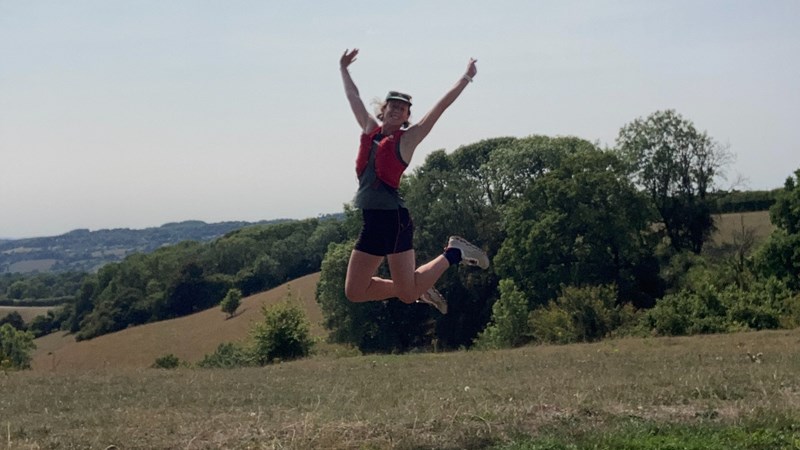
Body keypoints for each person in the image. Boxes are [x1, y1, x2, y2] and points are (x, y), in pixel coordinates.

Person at [339, 48, 489, 315]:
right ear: (384, 110)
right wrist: (344, 69)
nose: (397, 110)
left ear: (407, 116)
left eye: (403, 108)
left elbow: (440, 107)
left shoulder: (408, 139)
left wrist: (466, 77)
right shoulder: (369, 130)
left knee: (408, 295)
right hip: (371, 221)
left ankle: (454, 252)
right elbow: (353, 97)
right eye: (393, 105)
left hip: (394, 221)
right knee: (355, 291)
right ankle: (421, 286)